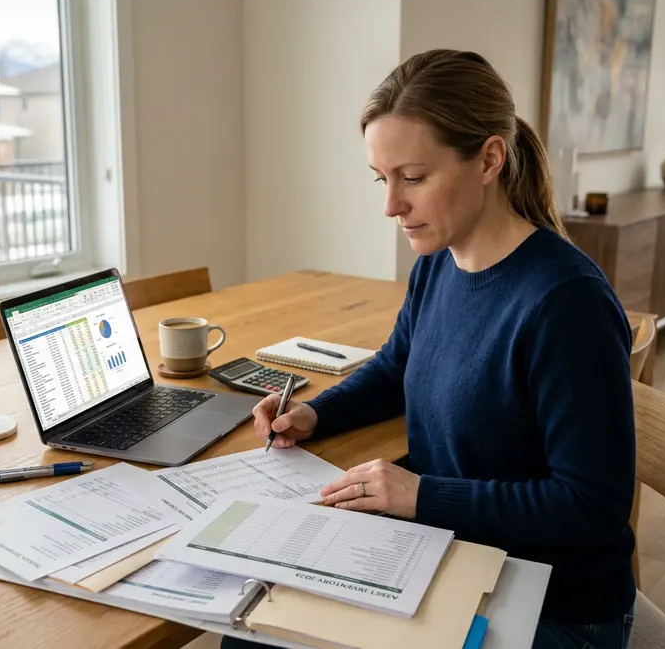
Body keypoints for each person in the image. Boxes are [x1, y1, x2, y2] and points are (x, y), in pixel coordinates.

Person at [223, 49, 636, 649]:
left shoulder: (567, 304)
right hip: (455, 558)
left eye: (413, 178)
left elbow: (591, 505)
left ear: (490, 158)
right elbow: (396, 368)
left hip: (552, 606)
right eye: (381, 179)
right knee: (255, 630)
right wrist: (317, 412)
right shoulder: (440, 263)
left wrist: (422, 494)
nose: (391, 205)